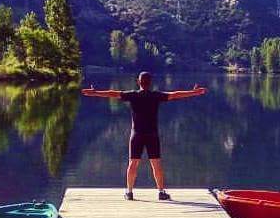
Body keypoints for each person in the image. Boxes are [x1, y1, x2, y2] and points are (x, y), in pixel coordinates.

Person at [82, 71, 207, 200]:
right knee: (156, 164)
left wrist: (95, 93)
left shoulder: (133, 95)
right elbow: (175, 95)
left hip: (136, 134)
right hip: (152, 135)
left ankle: (129, 192)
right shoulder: (156, 96)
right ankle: (161, 192)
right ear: (150, 82)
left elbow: (112, 93)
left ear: (138, 82)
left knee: (133, 163)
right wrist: (194, 92)